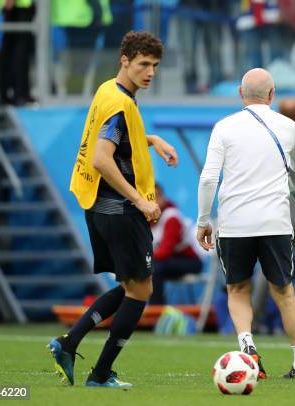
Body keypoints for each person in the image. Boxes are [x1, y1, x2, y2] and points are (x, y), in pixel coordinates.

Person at [47, 31, 179, 388]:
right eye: (143, 64)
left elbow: (114, 142)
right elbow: (102, 158)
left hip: (99, 206)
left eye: (154, 66)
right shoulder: (121, 104)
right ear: (125, 60)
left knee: (130, 286)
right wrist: (139, 199)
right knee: (141, 292)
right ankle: (100, 372)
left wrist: (151, 140)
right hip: (121, 210)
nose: (150, 72)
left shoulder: (110, 90)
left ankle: (68, 344)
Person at [196, 68, 295, 379]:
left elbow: (209, 178)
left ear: (240, 94)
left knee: (237, 288)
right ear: (272, 94)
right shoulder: (290, 128)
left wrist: (203, 220)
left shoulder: (224, 127)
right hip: (275, 222)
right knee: (284, 292)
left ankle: (247, 346)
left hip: (234, 223)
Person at [150, 183, 203, 305]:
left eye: (157, 196)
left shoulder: (171, 217)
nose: (154, 201)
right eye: (149, 197)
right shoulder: (146, 219)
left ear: (163, 198)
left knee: (152, 268)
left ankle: (155, 312)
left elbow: (164, 252)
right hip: (168, 261)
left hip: (190, 261)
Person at [0, 0, 35, 105]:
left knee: (20, 50)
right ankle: (18, 94)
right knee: (17, 51)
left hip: (21, 5)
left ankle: (18, 93)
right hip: (17, 6)